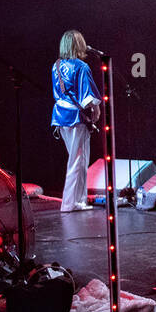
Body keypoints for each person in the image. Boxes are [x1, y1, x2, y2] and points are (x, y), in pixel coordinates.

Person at [51, 29, 102, 213]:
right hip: (76, 117)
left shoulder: (56, 65)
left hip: (61, 116)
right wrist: (96, 109)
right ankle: (69, 203)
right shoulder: (81, 66)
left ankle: (79, 201)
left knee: (79, 160)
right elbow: (87, 95)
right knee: (77, 160)